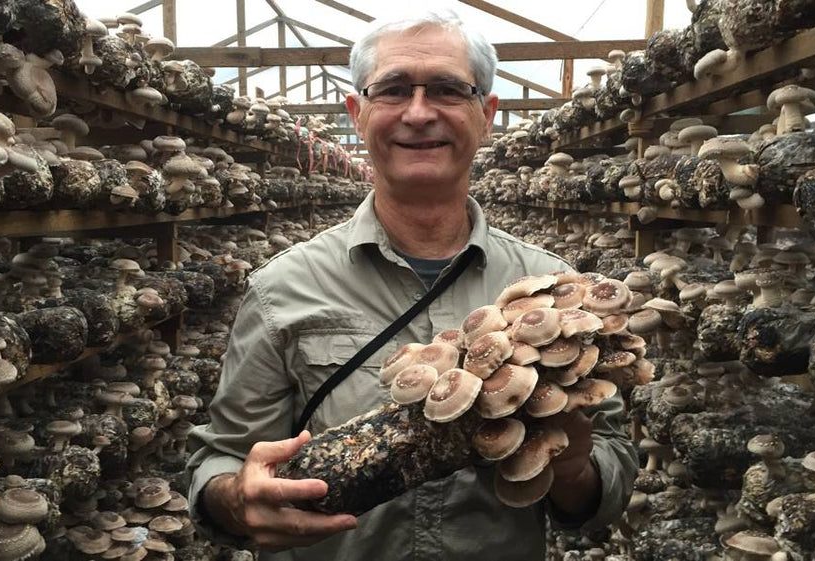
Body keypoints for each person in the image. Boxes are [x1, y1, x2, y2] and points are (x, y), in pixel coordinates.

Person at [186, 9, 637, 559]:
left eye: (448, 90)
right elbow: (221, 460)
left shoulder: (554, 293)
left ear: (487, 113)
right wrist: (236, 497)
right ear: (358, 113)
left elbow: (608, 482)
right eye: (394, 90)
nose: (419, 114)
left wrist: (571, 469)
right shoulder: (281, 287)